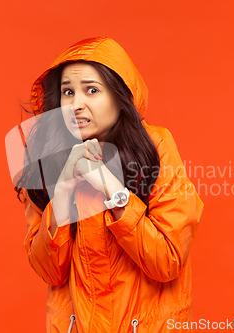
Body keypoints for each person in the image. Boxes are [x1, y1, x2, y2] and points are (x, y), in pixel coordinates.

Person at [14, 36, 204, 333]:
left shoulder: (156, 147)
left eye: (92, 90)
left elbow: (168, 260)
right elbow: (50, 271)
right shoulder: (49, 160)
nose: (76, 105)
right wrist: (62, 192)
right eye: (67, 92)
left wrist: (114, 191)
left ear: (119, 95)